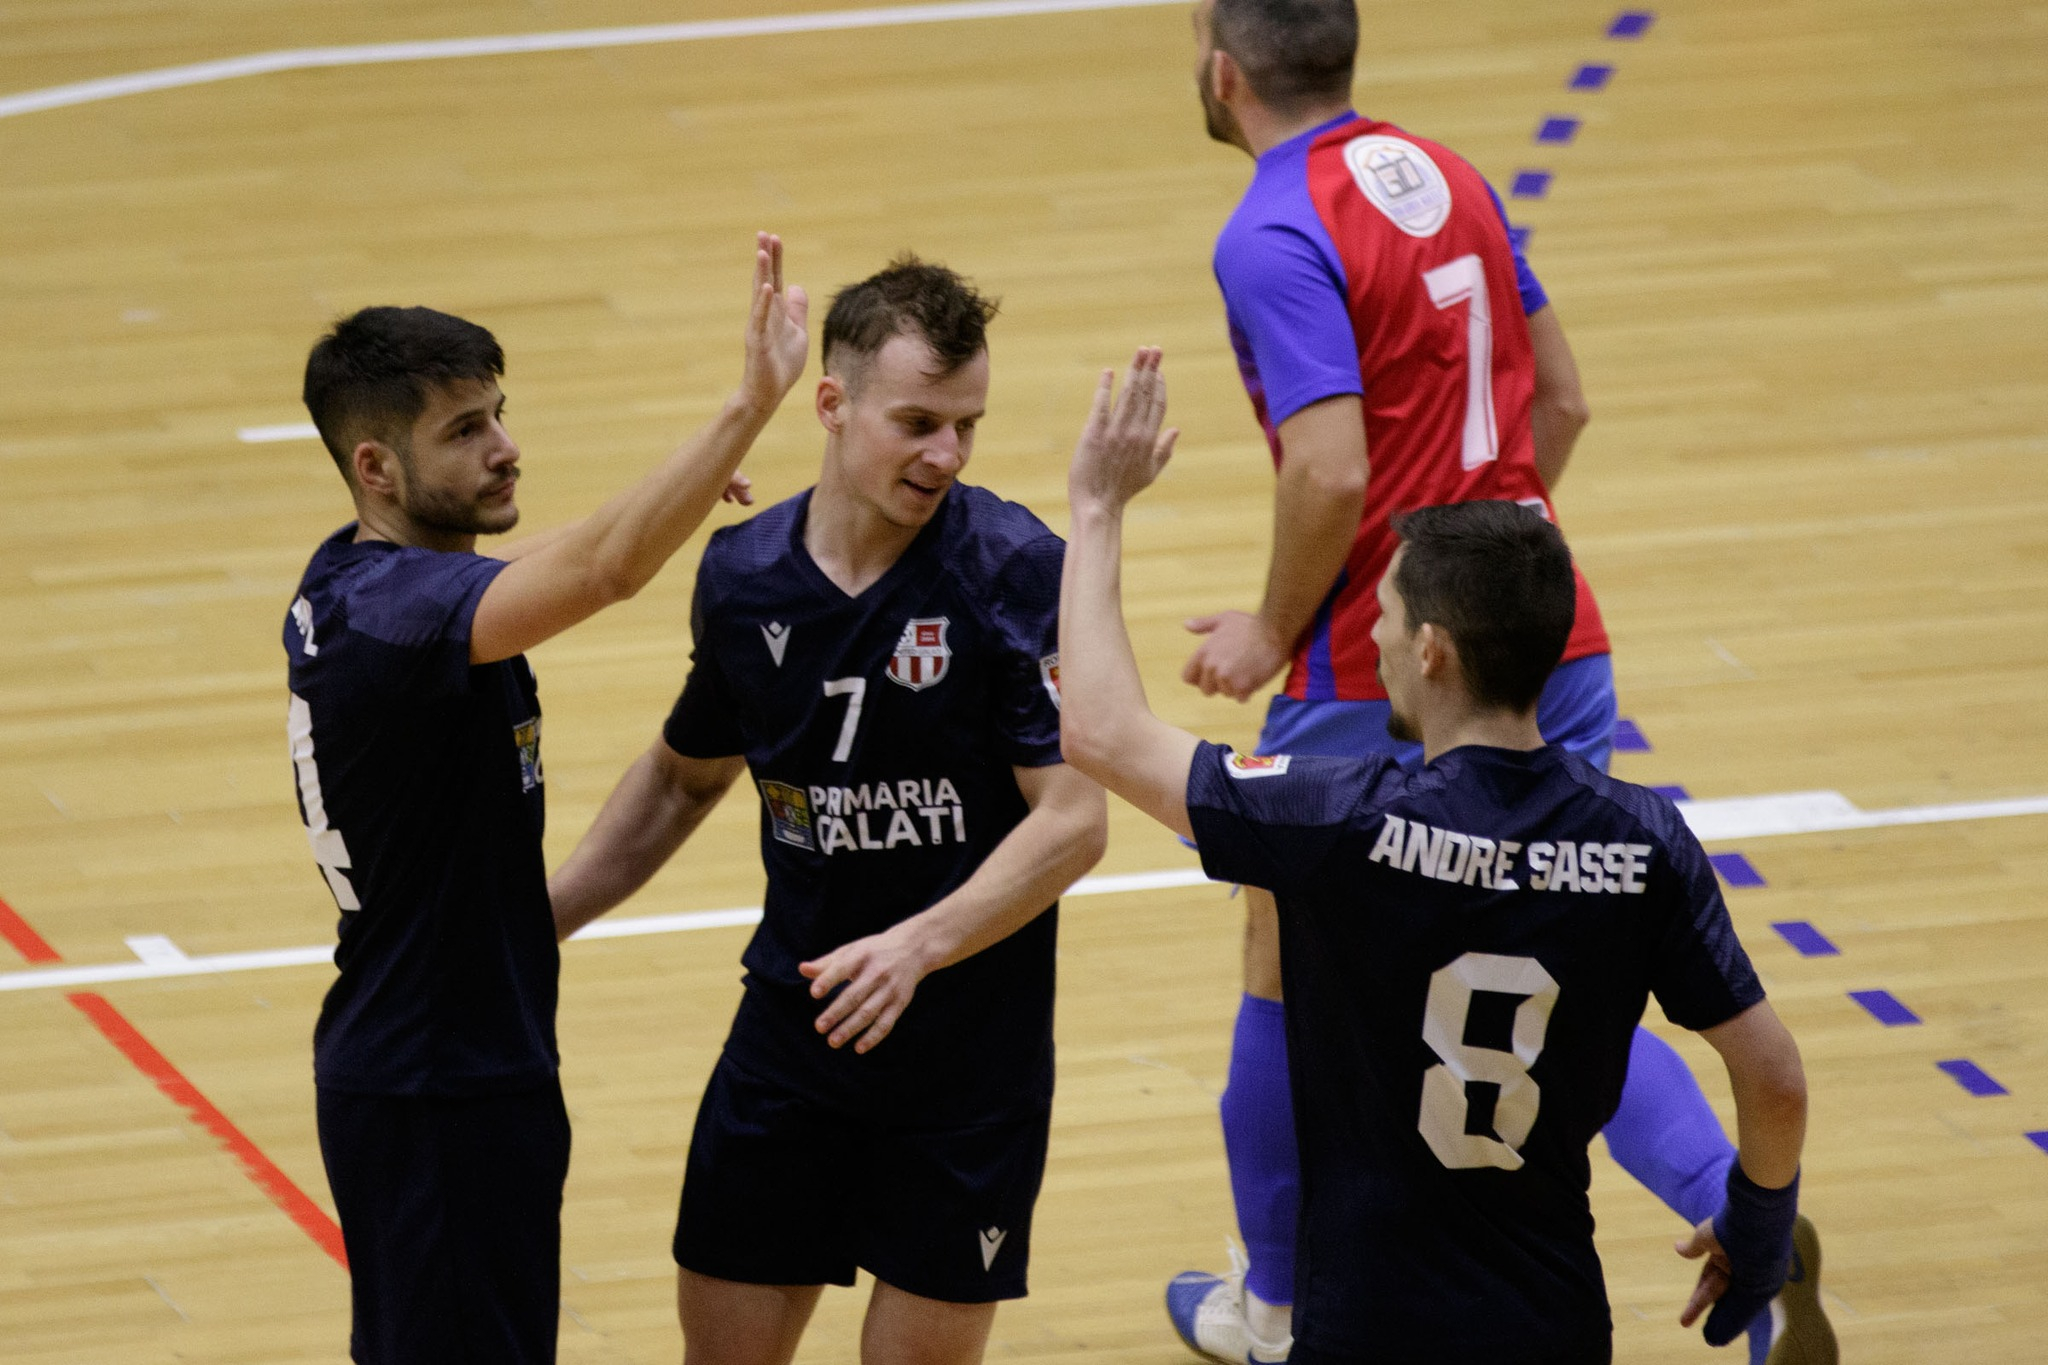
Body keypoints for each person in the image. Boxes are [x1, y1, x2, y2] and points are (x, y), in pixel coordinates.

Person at [1170, 2, 1833, 1361]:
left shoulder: (1270, 227)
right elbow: (1566, 401)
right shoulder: (1451, 174)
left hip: (1391, 651)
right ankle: (1735, 1225)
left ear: (1225, 70)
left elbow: (1334, 467)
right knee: (1560, 942)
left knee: (1281, 961)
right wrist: (1499, 568)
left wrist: (1268, 628)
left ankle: (1278, 1308)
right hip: (1544, 618)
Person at [1054, 356, 1810, 1362]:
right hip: (1552, 1321)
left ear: (1434, 652)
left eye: (1388, 613)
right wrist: (1755, 1230)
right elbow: (1773, 1079)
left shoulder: (1333, 821)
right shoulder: (1643, 841)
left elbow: (1099, 731)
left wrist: (1096, 508)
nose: (1372, 630)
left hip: (1371, 1321)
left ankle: (1263, 1307)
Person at [546, 256, 1109, 1365]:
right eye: (917, 421)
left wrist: (915, 947)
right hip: (794, 1035)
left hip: (965, 1063)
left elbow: (1071, 821)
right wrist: (538, 921)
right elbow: (680, 776)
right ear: (830, 402)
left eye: (966, 425)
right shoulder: (743, 573)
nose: (944, 454)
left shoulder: (1010, 569)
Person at [283, 234, 810, 1364]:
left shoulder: (364, 581)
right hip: (440, 1082)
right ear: (376, 466)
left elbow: (578, 553)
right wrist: (746, 407)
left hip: (437, 1054)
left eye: (498, 414)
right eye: (463, 431)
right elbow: (603, 571)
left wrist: (668, 499)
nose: (504, 449)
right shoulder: (400, 620)